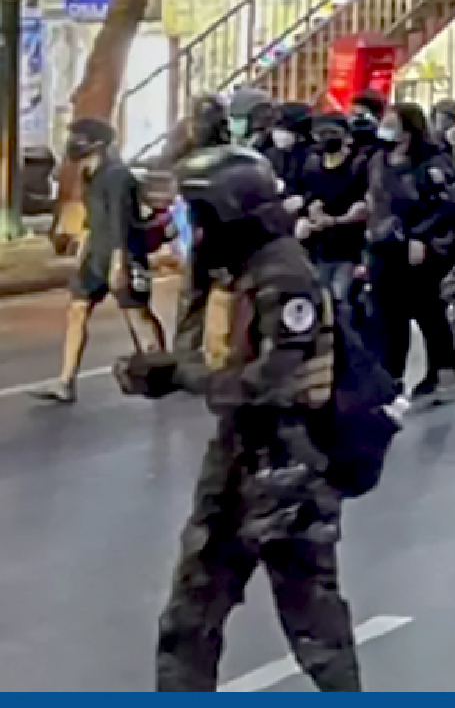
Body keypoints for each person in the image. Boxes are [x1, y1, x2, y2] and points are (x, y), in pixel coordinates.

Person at [120, 146, 362, 691]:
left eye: (201, 213)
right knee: (190, 615)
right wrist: (170, 367)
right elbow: (213, 355)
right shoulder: (238, 269)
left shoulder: (284, 278)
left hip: (291, 467)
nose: (195, 228)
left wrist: (180, 378)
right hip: (236, 456)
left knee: (314, 625)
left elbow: (267, 385)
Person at [36, 118, 168, 403]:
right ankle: (65, 381)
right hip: (97, 254)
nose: (73, 142)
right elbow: (93, 219)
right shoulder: (90, 175)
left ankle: (162, 371)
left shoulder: (117, 176)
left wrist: (119, 262)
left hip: (124, 255)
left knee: (137, 314)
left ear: (98, 143)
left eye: (79, 137)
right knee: (77, 310)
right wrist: (83, 251)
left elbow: (121, 222)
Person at [364, 103, 455, 401]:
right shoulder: (378, 161)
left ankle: (445, 371)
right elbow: (373, 199)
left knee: (427, 310)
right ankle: (392, 377)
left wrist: (420, 235)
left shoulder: (431, 162)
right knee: (388, 316)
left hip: (421, 246)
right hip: (383, 245)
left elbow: (448, 205)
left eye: (392, 123)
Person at [291, 116, 370, 341]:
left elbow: (363, 208)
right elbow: (308, 195)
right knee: (322, 303)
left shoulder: (358, 167)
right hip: (321, 248)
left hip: (349, 249)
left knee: (342, 303)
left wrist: (337, 220)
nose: (325, 140)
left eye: (331, 134)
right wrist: (310, 211)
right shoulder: (312, 166)